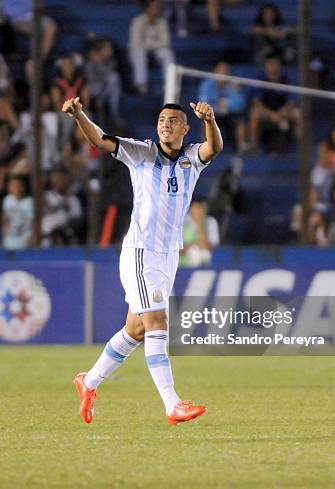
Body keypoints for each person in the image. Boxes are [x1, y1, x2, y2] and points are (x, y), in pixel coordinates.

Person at [61, 96, 223, 425]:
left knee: (135, 330)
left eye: (173, 120)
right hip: (140, 252)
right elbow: (99, 138)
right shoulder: (141, 153)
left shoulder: (192, 158)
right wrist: (79, 114)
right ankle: (172, 404)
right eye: (162, 119)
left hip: (168, 256)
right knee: (157, 323)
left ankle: (88, 382)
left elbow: (214, 147)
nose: (166, 124)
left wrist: (211, 120)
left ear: (184, 128)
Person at [248, 54, 301, 153]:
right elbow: (256, 102)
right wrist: (271, 114)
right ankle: (253, 147)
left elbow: (292, 100)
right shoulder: (260, 78)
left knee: (298, 114)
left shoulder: (286, 79)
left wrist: (282, 112)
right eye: (270, 64)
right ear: (265, 65)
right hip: (266, 111)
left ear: (280, 65)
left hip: (283, 111)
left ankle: (300, 147)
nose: (273, 66)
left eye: (275, 63)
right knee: (254, 114)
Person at [197, 61, 248, 153]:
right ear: (215, 71)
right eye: (221, 70)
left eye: (226, 70)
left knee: (241, 118)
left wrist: (226, 105)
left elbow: (240, 103)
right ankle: (206, 150)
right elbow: (203, 103)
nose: (223, 73)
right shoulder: (206, 84)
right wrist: (217, 107)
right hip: (213, 114)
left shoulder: (233, 85)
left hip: (230, 114)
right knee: (205, 117)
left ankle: (242, 150)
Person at [128, 0, 175, 95]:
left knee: (167, 54)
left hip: (156, 51)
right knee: (138, 52)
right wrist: (153, 43)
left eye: (157, 7)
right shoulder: (137, 21)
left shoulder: (162, 22)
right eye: (153, 7)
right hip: (141, 50)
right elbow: (136, 43)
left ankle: (170, 86)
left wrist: (149, 44)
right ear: (147, 8)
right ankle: (141, 85)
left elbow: (166, 42)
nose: (156, 9)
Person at [1, 175, 33, 250]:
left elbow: (33, 222)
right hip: (9, 241)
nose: (17, 188)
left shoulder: (30, 202)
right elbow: (4, 219)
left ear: (24, 187)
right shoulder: (7, 200)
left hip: (25, 240)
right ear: (9, 187)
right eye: (14, 185)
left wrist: (32, 237)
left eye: (19, 186)